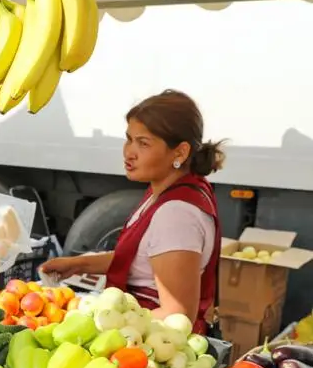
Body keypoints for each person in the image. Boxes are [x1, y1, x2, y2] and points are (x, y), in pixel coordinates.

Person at [41, 90, 225, 334]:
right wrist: (79, 264)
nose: (129, 152)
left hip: (153, 348)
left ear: (180, 153)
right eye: (129, 139)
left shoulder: (176, 215)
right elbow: (143, 260)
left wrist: (97, 325)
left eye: (143, 143)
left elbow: (176, 315)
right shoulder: (167, 191)